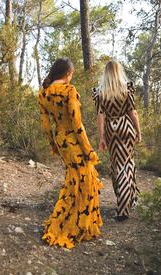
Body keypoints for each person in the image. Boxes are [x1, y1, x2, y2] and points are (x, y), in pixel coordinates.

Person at [38, 58, 103, 249]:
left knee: (75, 180)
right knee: (83, 181)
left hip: (60, 140)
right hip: (74, 140)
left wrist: (53, 145)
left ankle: (77, 222)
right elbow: (76, 123)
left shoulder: (44, 94)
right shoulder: (69, 91)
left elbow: (45, 126)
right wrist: (88, 149)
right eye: (71, 74)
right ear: (67, 74)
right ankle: (73, 226)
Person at [92, 60, 141, 221]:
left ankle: (126, 201)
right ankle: (126, 203)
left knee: (118, 165)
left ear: (106, 73)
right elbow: (133, 113)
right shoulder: (126, 88)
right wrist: (138, 132)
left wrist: (102, 137)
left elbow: (100, 116)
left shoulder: (100, 92)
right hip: (126, 127)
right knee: (126, 164)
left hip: (111, 130)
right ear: (119, 71)